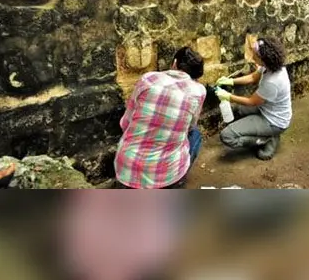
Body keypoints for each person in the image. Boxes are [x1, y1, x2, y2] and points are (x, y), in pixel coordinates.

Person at [113, 46, 206, 189]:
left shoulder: (148, 79)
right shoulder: (198, 91)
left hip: (127, 169)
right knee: (196, 135)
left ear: (175, 63)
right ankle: (176, 178)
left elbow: (126, 122)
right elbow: (190, 126)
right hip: (166, 176)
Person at [213, 37, 292, 160]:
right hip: (266, 109)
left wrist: (228, 97)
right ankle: (270, 135)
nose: (252, 57)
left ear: (264, 60)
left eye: (255, 55)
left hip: (274, 121)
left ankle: (265, 139)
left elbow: (251, 102)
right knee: (238, 110)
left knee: (227, 136)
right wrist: (230, 81)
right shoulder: (271, 65)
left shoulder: (273, 81)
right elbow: (253, 77)